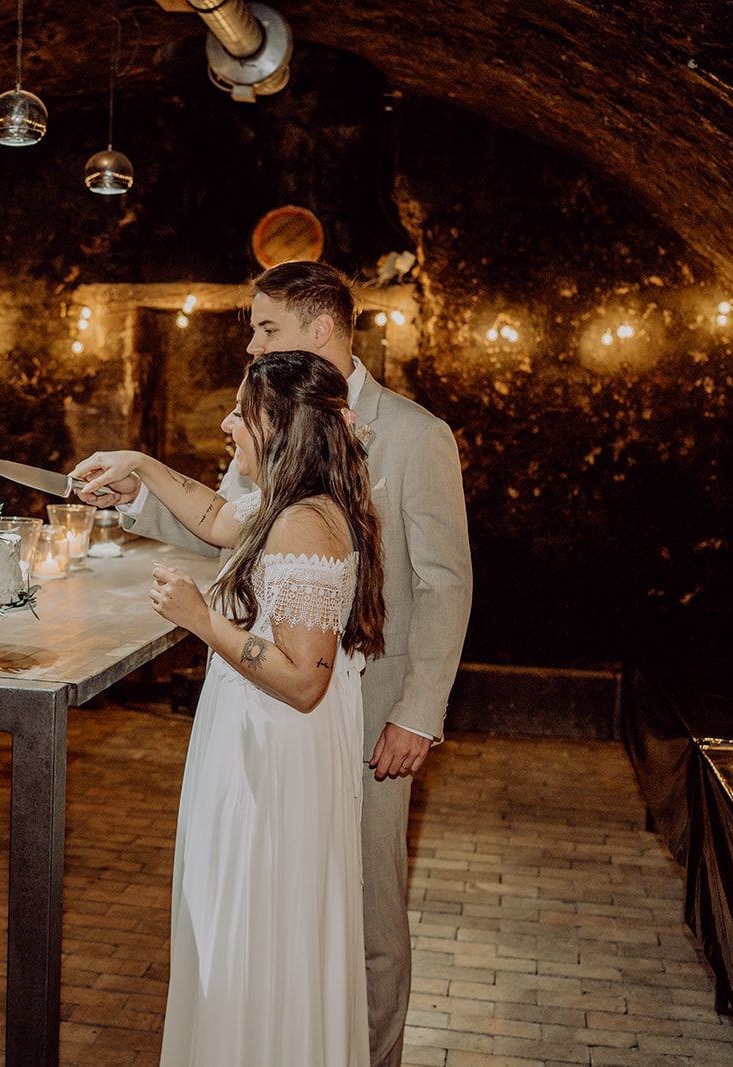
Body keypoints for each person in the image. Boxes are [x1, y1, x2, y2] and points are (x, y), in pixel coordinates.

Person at [71, 261, 472, 1067]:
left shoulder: (416, 434)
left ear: (318, 330)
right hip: (274, 708)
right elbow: (227, 523)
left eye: (263, 329)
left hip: (364, 705)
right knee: (280, 911)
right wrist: (140, 483)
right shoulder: (278, 429)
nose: (250, 346)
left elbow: (445, 582)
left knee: (363, 919)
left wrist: (418, 713)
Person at [76, 351, 383, 1065]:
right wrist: (142, 465)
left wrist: (200, 618)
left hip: (273, 759)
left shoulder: (306, 522)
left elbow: (306, 679)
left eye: (242, 413)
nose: (228, 423)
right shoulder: (291, 502)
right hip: (257, 741)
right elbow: (216, 516)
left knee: (251, 926)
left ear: (277, 425)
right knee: (244, 926)